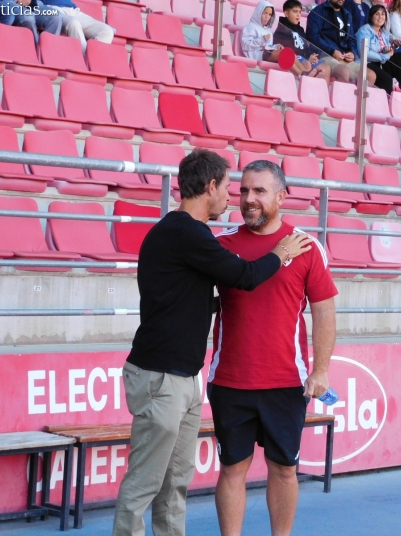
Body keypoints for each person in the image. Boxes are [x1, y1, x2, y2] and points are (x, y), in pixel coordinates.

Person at [112, 150, 312, 536]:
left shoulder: (187, 235)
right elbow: (246, 275)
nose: (231, 199)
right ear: (209, 187)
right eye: (228, 188)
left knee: (174, 484)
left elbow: (191, 297)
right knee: (144, 483)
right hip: (160, 377)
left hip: (183, 378)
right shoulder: (185, 232)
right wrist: (281, 254)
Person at [209, 159, 337, 536]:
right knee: (232, 468)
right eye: (244, 190)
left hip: (285, 382)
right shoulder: (220, 246)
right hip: (230, 381)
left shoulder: (308, 248)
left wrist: (321, 369)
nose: (249, 199)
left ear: (282, 197)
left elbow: (324, 311)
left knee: (284, 468)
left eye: (259, 191)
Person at [307, 0, 377, 84]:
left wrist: (352, 53)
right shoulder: (317, 12)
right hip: (325, 55)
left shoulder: (347, 14)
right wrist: (332, 51)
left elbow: (351, 39)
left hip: (344, 57)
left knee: (370, 75)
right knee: (343, 72)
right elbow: (313, 36)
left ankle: (356, 96)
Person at [357, 4, 401, 96]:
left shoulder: (383, 32)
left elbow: (389, 42)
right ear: (371, 17)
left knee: (400, 56)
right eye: (377, 14)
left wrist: (390, 47)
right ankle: (385, 102)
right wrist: (385, 56)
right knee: (387, 79)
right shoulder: (364, 30)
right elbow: (365, 53)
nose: (380, 17)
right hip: (368, 63)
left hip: (380, 62)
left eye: (383, 14)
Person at [274, 0, 333, 83]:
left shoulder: (300, 30)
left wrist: (312, 55)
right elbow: (286, 49)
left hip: (304, 58)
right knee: (307, 63)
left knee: (326, 67)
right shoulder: (282, 28)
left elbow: (306, 47)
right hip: (296, 58)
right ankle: (307, 84)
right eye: (295, 12)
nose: (298, 15)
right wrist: (308, 58)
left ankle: (323, 94)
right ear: (286, 13)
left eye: (300, 12)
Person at [39, 0, 114, 52]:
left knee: (107, 31)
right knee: (74, 23)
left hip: (73, 10)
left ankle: (93, 60)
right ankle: (83, 59)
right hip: (52, 9)